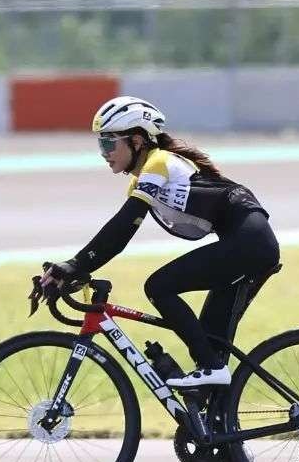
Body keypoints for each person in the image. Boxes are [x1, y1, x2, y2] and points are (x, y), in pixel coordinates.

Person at [39, 95, 281, 393]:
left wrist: (74, 265)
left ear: (137, 140)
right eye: (100, 144)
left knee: (159, 286)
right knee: (207, 341)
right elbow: (119, 237)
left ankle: (213, 369)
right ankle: (220, 430)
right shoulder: (143, 178)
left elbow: (124, 222)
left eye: (108, 143)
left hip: (250, 242)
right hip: (243, 243)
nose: (104, 153)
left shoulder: (159, 163)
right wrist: (78, 267)